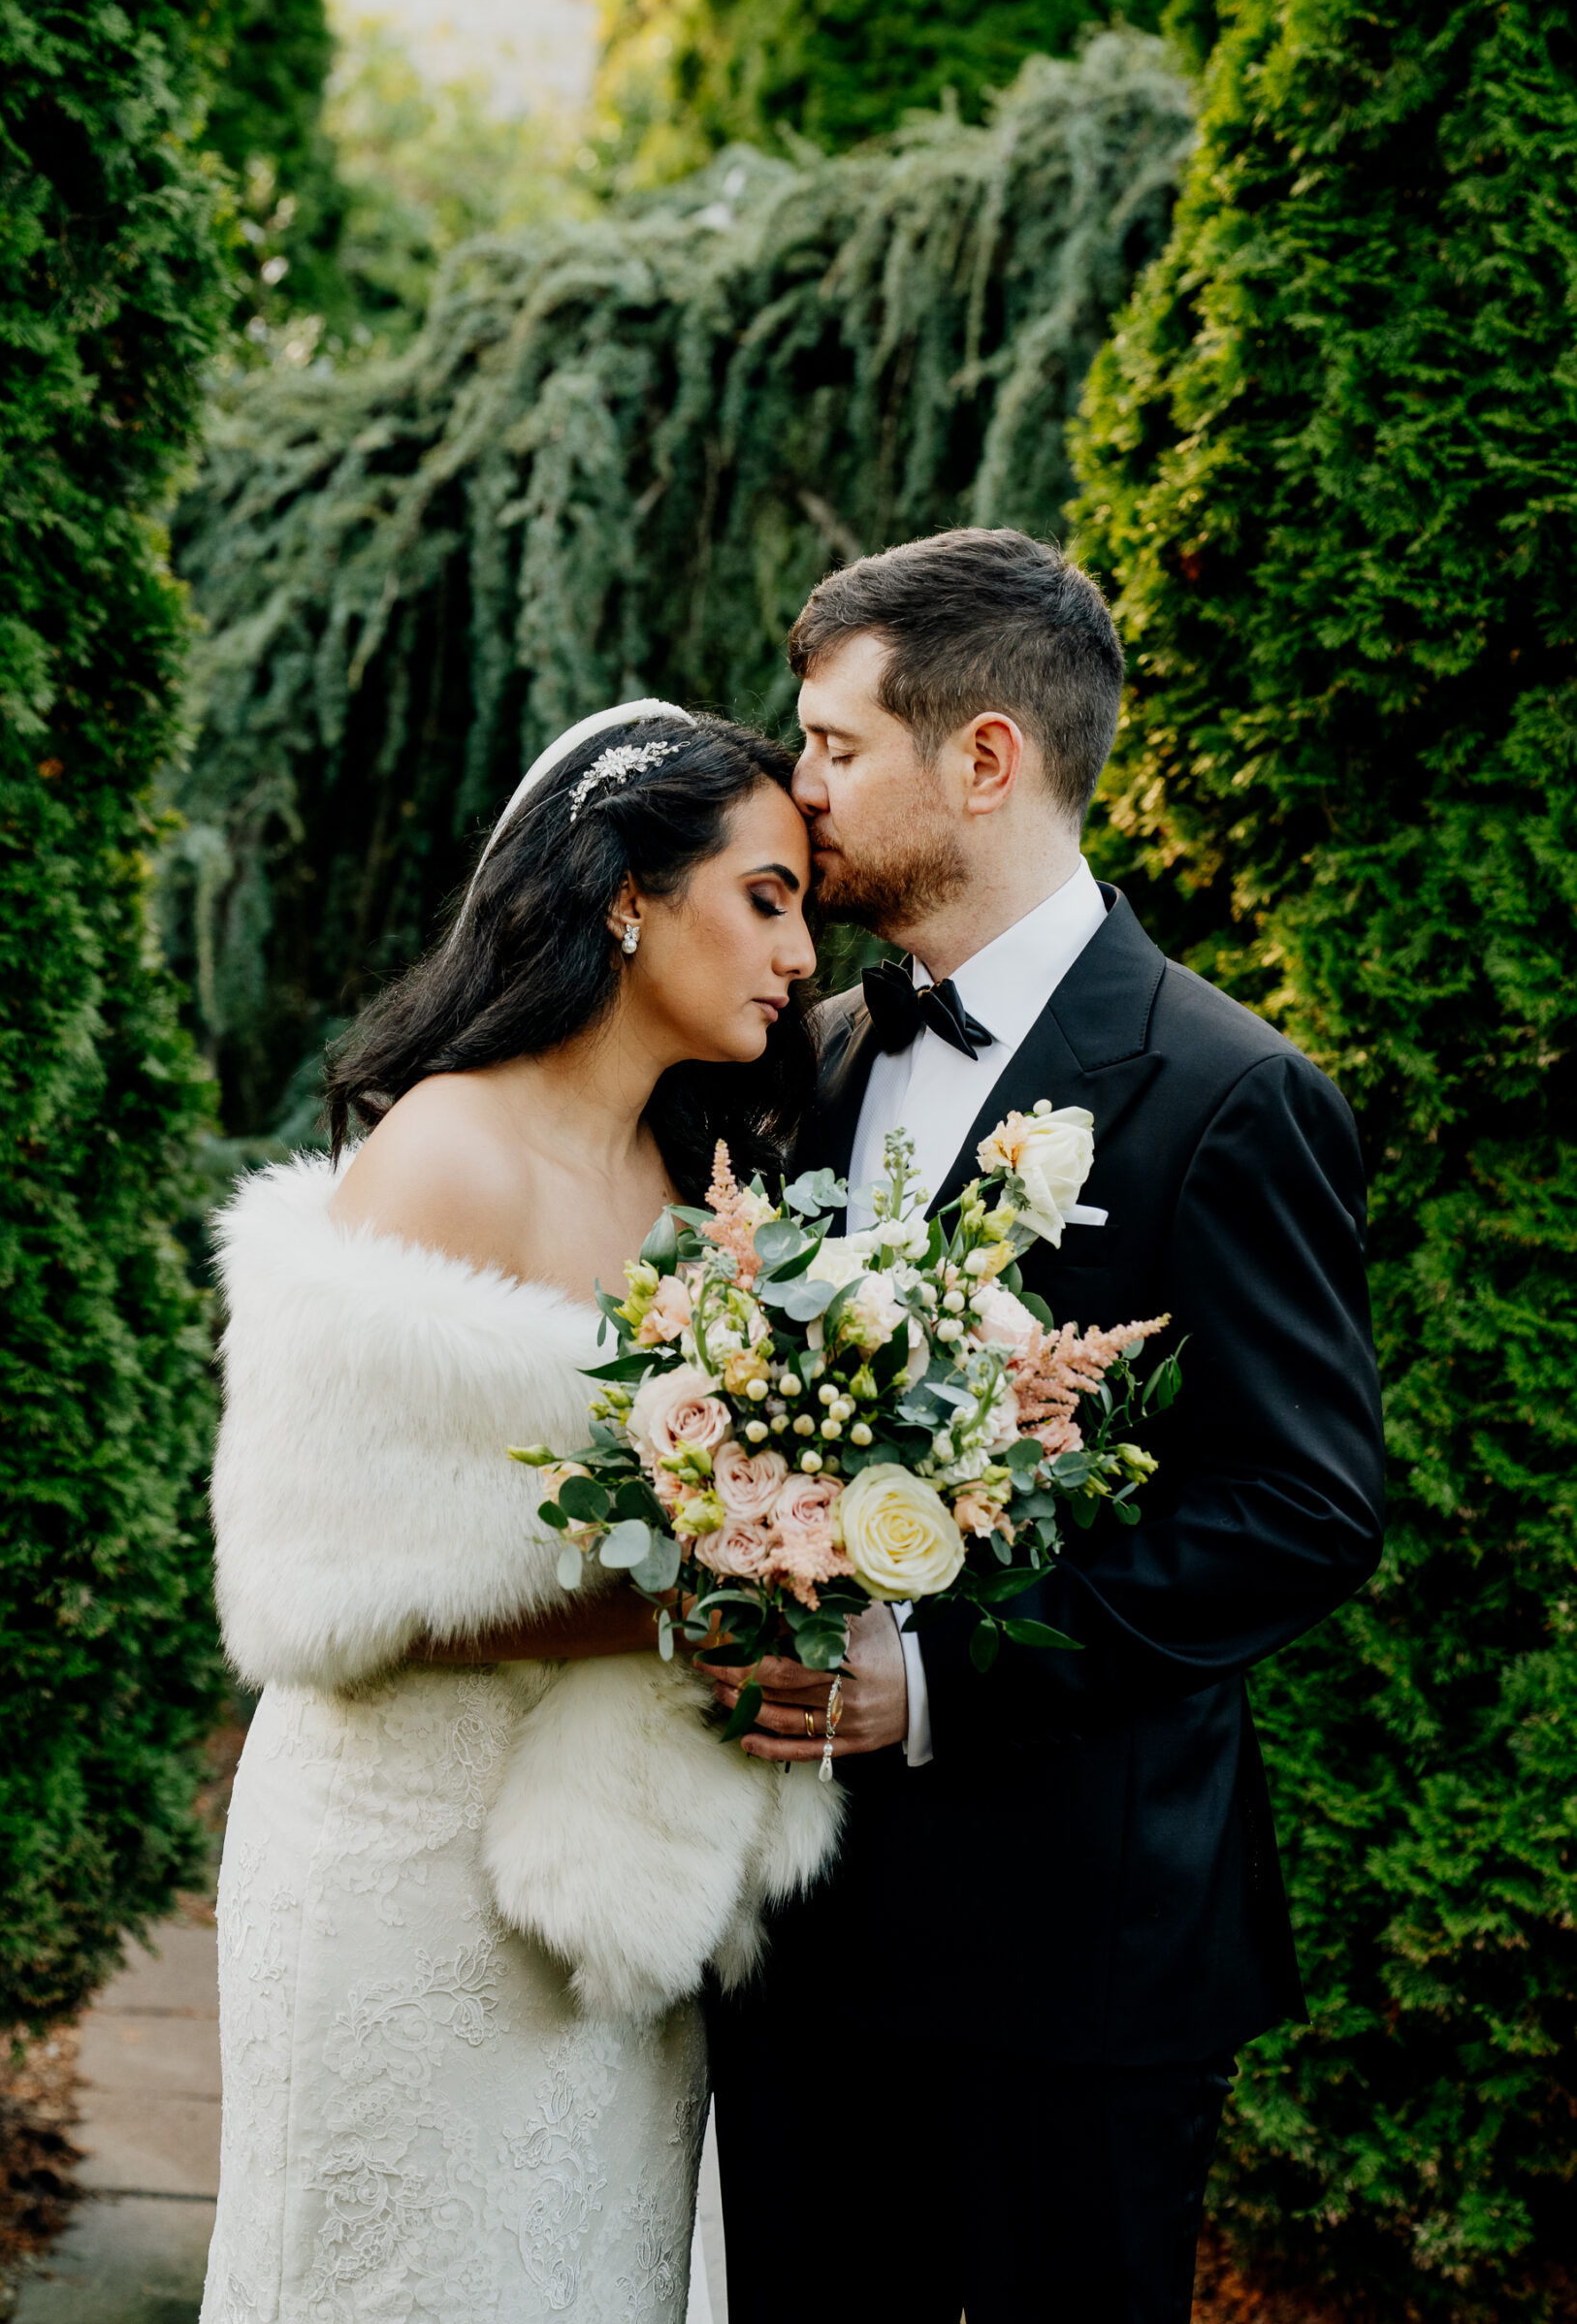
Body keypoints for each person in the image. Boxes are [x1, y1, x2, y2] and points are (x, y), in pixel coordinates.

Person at [702, 529, 1386, 2324]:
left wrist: (937, 1677)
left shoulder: (1233, 1096)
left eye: (837, 747)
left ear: (984, 757)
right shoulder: (817, 1058)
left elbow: (1304, 1508)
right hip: (795, 1944)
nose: (800, 789)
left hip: (1076, 1970)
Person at [199, 706, 828, 2324]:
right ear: (628, 891)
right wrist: (701, 1587)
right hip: (407, 1866)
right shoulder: (446, 1155)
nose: (803, 953)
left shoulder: (703, 1195)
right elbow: (315, 1577)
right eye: (767, 896)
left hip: (618, 1878)